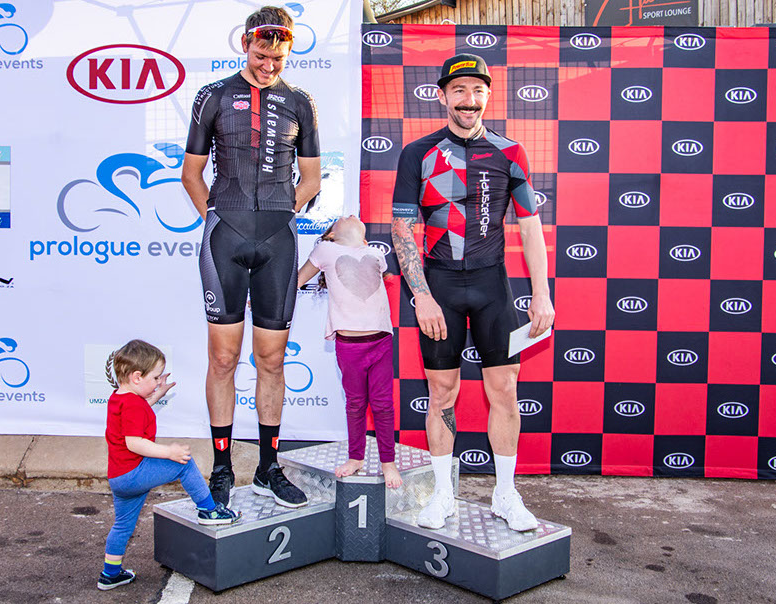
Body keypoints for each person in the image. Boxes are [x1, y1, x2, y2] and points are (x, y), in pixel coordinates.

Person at [390, 54, 555, 531]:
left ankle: (505, 494)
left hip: (492, 287)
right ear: (442, 96)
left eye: (478, 90)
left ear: (488, 95)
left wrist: (541, 294)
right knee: (442, 391)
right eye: (459, 90)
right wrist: (421, 296)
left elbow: (530, 226)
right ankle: (444, 495)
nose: (469, 100)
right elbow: (402, 229)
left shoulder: (510, 152)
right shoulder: (418, 153)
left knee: (504, 389)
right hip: (439, 287)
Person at [181, 5, 322, 509]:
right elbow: (191, 173)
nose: (268, 65)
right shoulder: (214, 95)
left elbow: (311, 177)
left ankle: (268, 467)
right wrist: (218, 218)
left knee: (272, 359)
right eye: (261, 55)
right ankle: (222, 468)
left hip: (278, 242)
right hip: (226, 237)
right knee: (223, 358)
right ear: (245, 44)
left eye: (278, 58)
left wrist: (283, 214)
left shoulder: (300, 102)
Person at [98, 340, 242, 591]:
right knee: (183, 464)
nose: (158, 382)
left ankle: (110, 574)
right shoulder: (133, 404)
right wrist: (169, 452)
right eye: (155, 378)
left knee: (122, 526)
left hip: (119, 478)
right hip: (134, 473)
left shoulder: (119, 398)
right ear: (136, 377)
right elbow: (134, 443)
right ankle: (209, 511)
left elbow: (137, 413)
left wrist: (157, 394)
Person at [297, 216, 403, 488]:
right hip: (349, 347)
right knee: (355, 404)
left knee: (383, 405)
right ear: (332, 235)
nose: (349, 215)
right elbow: (296, 280)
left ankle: (388, 462)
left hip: (381, 342)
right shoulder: (325, 250)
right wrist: (264, 300)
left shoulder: (375, 253)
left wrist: (362, 246)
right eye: (341, 218)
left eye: (352, 216)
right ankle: (356, 458)